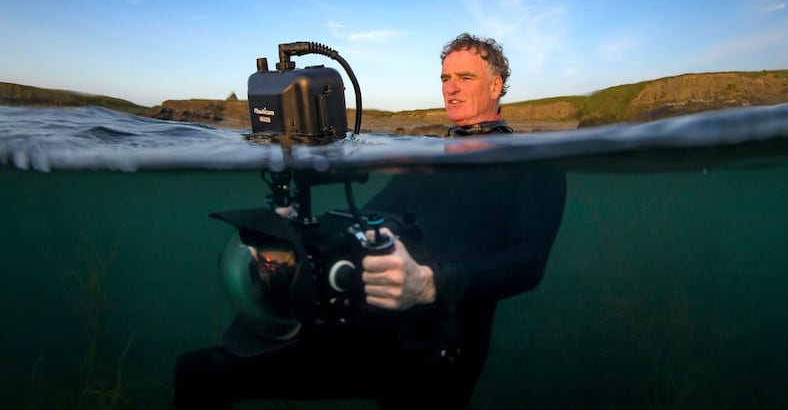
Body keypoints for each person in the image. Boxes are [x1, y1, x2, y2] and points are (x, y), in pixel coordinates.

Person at [174, 32, 567, 409]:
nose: (451, 88)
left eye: (466, 77)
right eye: (446, 78)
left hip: (440, 354)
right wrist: (295, 238)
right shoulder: (428, 161)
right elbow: (369, 218)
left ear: (496, 86)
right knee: (200, 373)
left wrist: (432, 283)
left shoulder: (533, 165)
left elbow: (529, 264)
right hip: (370, 330)